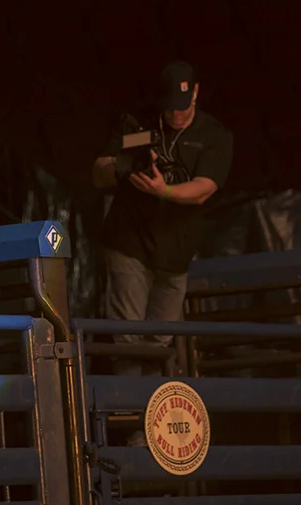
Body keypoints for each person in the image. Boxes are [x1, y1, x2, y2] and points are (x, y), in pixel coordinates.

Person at [92, 62, 233, 376]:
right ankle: (131, 404)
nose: (176, 114)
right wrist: (122, 167)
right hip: (130, 242)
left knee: (160, 342)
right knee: (128, 338)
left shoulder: (214, 135)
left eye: (182, 107)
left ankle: (153, 405)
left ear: (195, 93)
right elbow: (99, 171)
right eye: (170, 107)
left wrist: (163, 190)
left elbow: (203, 189)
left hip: (175, 254)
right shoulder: (138, 124)